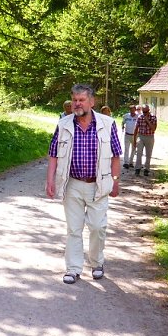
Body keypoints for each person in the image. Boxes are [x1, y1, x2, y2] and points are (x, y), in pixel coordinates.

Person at [45, 84, 122, 284]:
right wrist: (50, 180)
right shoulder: (64, 124)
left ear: (91, 102)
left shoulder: (108, 123)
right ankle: (73, 268)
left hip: (98, 185)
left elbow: (115, 155)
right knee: (74, 229)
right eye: (75, 100)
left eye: (81, 100)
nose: (77, 104)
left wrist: (115, 181)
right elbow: (53, 154)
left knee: (97, 227)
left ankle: (97, 263)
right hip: (72, 184)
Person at [133, 104, 158, 176]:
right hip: (141, 136)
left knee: (148, 154)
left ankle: (146, 169)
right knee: (139, 153)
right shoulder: (140, 117)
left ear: (148, 110)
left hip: (150, 137)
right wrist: (134, 140)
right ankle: (137, 168)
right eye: (143, 112)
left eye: (146, 112)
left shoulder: (153, 117)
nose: (144, 113)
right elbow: (136, 129)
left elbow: (153, 129)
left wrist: (147, 120)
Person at [121, 103, 140, 170]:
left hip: (135, 135)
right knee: (126, 148)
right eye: (130, 109)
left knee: (134, 149)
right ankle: (126, 162)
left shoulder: (138, 116)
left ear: (135, 110)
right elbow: (123, 122)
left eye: (133, 109)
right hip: (127, 134)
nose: (132, 111)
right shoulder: (126, 116)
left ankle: (131, 162)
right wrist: (122, 126)